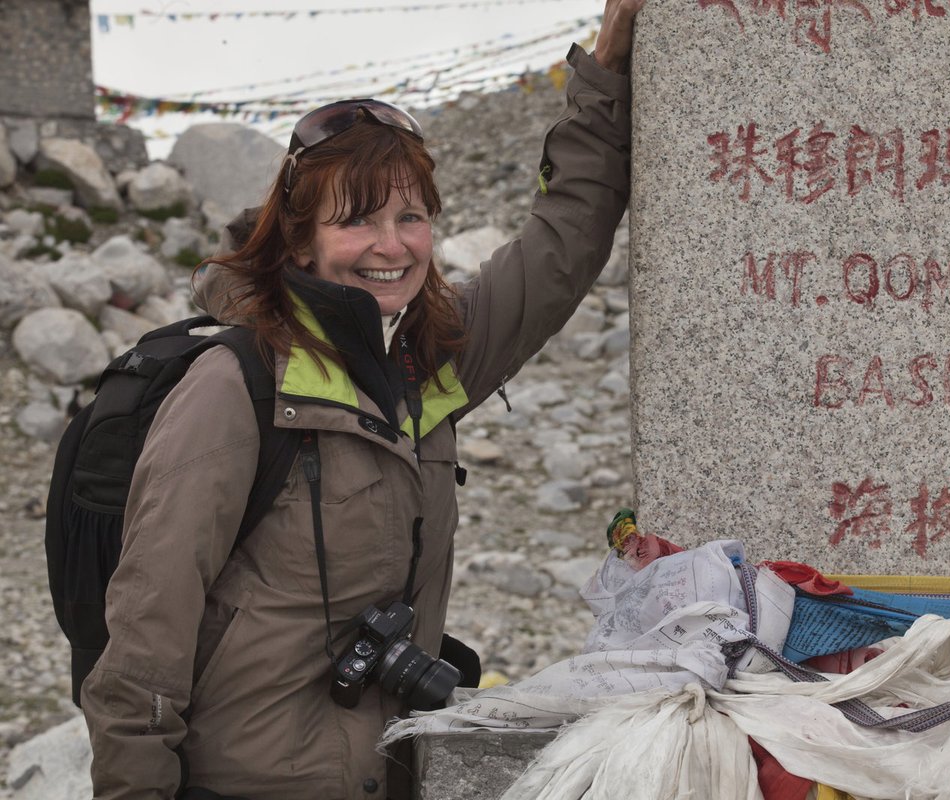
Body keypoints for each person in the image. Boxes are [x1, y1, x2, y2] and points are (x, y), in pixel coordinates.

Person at [80, 0, 643, 795]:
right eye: (359, 221)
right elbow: (143, 641)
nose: (392, 246)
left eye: (411, 216)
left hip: (385, 775)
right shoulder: (236, 386)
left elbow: (563, 242)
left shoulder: (427, 358)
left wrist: (607, 75)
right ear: (300, 238)